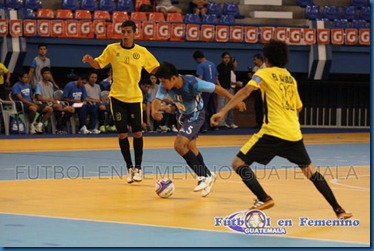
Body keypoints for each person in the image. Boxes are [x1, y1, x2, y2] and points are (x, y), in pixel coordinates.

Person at [210, 39, 352, 219]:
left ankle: (263, 198)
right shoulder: (290, 78)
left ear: (267, 58)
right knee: (311, 172)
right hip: (293, 134)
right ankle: (339, 210)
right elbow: (299, 106)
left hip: (272, 132)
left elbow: (246, 91)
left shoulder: (264, 73)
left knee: (238, 164)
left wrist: (222, 112)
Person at [152, 62, 246, 197]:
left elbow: (218, 89)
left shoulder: (193, 83)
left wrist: (235, 101)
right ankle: (208, 175)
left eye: (164, 81)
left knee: (179, 145)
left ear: (173, 78)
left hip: (195, 116)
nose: (162, 84)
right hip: (182, 116)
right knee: (191, 148)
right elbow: (157, 99)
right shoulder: (165, 83)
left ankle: (203, 176)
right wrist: (155, 111)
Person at [82, 20, 160, 183]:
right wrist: (90, 60)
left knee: (137, 132)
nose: (125, 35)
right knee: (122, 133)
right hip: (117, 97)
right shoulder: (112, 49)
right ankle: (129, 168)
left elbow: (155, 67)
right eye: (123, 31)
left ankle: (138, 168)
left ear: (134, 33)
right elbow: (99, 64)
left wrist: (165, 75)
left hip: (135, 97)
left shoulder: (142, 51)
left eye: (128, 32)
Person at [34, 67, 74, 134]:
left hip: (52, 104)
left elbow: (52, 97)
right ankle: (40, 124)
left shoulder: (51, 84)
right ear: (42, 75)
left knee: (71, 109)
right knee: (57, 108)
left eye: (48, 73)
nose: (47, 75)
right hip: (43, 104)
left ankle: (60, 126)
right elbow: (39, 98)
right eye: (45, 73)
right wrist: (51, 100)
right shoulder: (39, 84)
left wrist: (55, 100)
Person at [12, 69, 53, 134]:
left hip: (31, 103)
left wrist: (34, 100)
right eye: (25, 77)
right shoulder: (16, 86)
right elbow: (21, 99)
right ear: (20, 78)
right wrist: (32, 104)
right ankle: (31, 125)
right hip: (22, 105)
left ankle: (39, 125)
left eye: (27, 77)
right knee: (33, 108)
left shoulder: (28, 86)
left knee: (49, 109)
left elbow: (31, 96)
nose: (26, 79)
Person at [192, 50, 219, 132]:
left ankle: (204, 126)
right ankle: (214, 125)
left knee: (202, 107)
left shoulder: (201, 65)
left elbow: (200, 77)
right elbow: (216, 77)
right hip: (213, 88)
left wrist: (197, 88)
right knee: (212, 108)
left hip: (204, 89)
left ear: (197, 59)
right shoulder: (212, 64)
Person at [216, 52, 235, 129]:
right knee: (221, 105)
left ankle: (224, 122)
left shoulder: (230, 66)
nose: (227, 59)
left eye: (228, 58)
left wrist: (230, 86)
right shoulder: (219, 67)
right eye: (225, 57)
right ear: (222, 58)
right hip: (221, 88)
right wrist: (220, 87)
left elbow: (229, 78)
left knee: (227, 105)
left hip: (228, 88)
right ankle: (219, 123)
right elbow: (216, 78)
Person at [252, 53, 266, 128]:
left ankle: (266, 123)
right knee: (257, 106)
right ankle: (259, 123)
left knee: (266, 107)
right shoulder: (255, 68)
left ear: (260, 59)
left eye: (255, 60)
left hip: (265, 89)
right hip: (257, 89)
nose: (254, 61)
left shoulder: (265, 67)